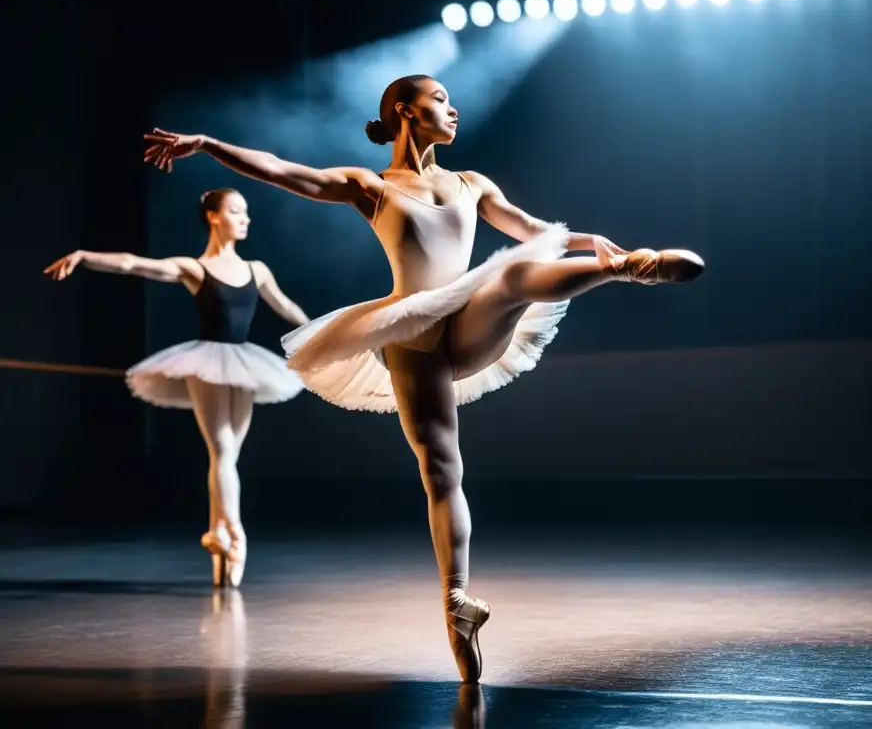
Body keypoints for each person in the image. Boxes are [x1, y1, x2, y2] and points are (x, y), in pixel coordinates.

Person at [141, 74, 705, 682]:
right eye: (440, 100)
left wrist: (594, 245)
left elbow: (532, 231)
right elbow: (282, 169)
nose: (454, 108)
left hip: (468, 326)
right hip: (411, 338)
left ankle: (627, 269)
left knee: (511, 278)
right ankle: (457, 603)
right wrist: (208, 144)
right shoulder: (372, 186)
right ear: (406, 112)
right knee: (442, 469)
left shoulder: (471, 184)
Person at [44, 188, 310, 588]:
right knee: (220, 449)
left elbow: (287, 308)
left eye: (246, 213)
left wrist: (321, 339)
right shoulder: (195, 268)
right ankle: (235, 533)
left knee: (229, 456)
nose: (246, 219)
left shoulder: (258, 270)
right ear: (213, 216)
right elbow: (135, 264)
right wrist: (85, 257)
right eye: (236, 211)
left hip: (246, 362)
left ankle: (217, 531)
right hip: (205, 362)